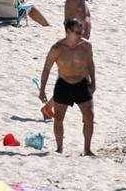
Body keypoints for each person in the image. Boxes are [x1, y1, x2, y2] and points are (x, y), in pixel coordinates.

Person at [39, 19, 96, 155]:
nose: (81, 36)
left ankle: (87, 149)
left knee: (89, 116)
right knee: (59, 118)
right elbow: (46, 69)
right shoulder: (57, 48)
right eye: (77, 33)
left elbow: (90, 64)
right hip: (63, 84)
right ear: (68, 32)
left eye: (81, 32)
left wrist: (93, 82)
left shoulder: (86, 46)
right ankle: (59, 148)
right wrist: (42, 90)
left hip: (81, 83)